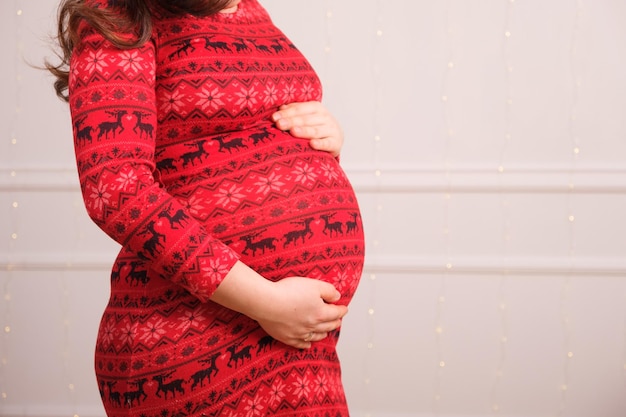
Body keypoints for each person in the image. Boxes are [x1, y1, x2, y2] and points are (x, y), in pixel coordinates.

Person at [47, 0, 365, 415]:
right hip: (194, 340)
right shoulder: (120, 13)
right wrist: (266, 303)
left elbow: (232, 146)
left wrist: (323, 141)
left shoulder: (249, 9)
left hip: (297, 344)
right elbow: (116, 191)